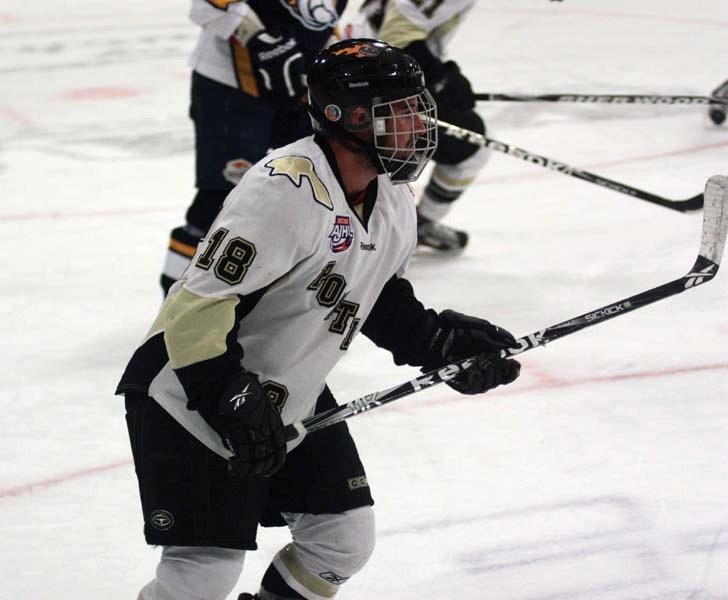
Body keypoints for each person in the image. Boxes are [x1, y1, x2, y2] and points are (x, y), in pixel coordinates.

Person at [117, 39, 521, 600]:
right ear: (346, 118)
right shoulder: (283, 189)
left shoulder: (393, 197)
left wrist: (440, 342)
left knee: (341, 540)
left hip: (285, 393)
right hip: (188, 393)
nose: (419, 125)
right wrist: (228, 396)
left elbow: (375, 295)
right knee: (204, 570)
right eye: (398, 113)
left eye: (418, 109)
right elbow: (194, 311)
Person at [161, 0, 348, 294]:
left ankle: (275, 296)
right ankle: (174, 303)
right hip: (230, 86)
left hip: (299, 84)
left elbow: (319, 17)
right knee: (220, 201)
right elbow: (205, 6)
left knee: (315, 190)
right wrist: (257, 36)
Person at [345, 0, 485, 252]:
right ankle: (397, 229)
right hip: (371, 81)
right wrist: (440, 79)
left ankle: (411, 226)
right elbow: (397, 38)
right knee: (473, 144)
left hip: (368, 72)